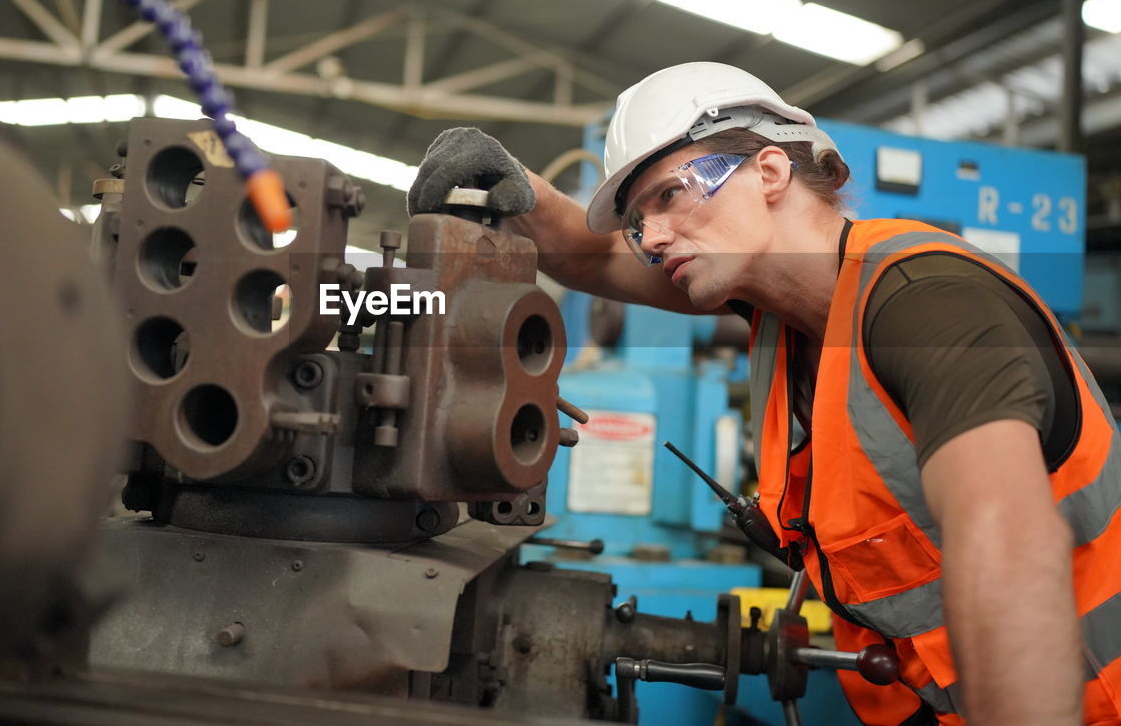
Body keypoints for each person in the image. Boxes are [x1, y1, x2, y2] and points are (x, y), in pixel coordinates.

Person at [408, 62, 1121, 726]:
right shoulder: (781, 316)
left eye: (669, 195)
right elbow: (595, 254)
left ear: (771, 170)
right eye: (638, 218)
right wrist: (519, 188)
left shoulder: (927, 305)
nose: (652, 237)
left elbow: (1010, 561)